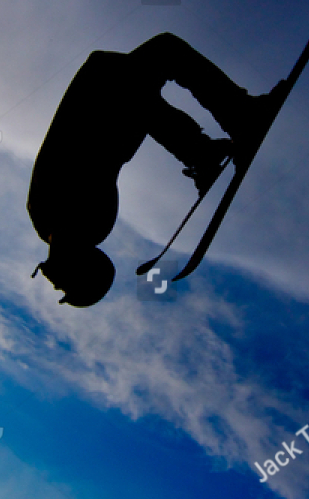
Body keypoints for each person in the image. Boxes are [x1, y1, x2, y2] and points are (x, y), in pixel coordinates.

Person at [27, 33, 278, 307]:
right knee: (159, 63)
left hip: (100, 88)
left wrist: (198, 151)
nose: (53, 283)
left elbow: (132, 120)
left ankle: (217, 137)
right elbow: (135, 118)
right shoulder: (86, 222)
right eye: (62, 284)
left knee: (151, 74)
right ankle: (220, 134)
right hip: (104, 89)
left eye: (59, 283)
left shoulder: (57, 216)